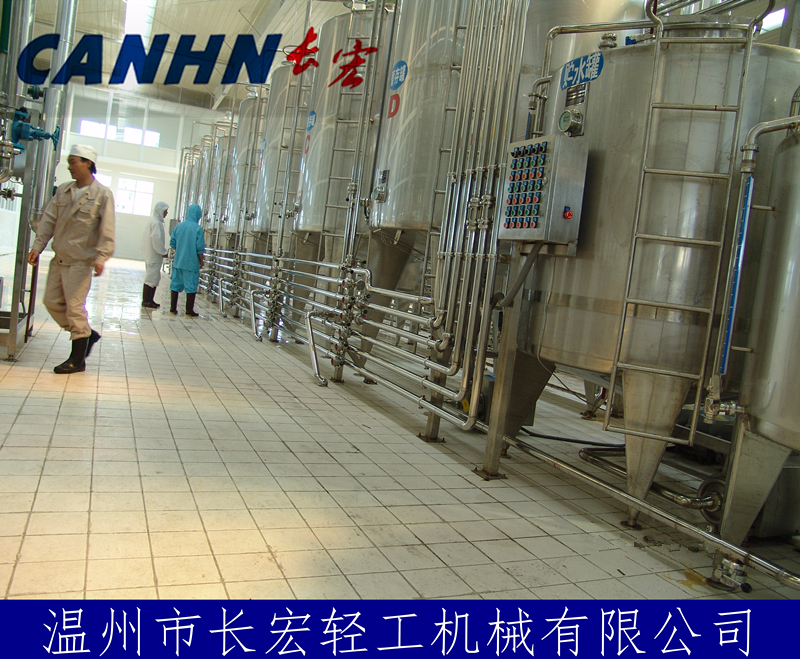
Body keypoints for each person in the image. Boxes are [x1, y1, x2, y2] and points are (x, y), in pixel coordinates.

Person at [27, 144, 115, 374]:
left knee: (75, 308)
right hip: (60, 258)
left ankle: (77, 360)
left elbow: (107, 229)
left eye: (73, 162)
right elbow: (49, 220)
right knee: (51, 302)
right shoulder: (64, 191)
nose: (69, 167)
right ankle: (86, 335)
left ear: (88, 163)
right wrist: (37, 246)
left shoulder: (102, 195)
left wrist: (101, 257)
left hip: (81, 261)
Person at [169, 204, 205, 317]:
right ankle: (189, 311)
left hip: (178, 262)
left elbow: (172, 243)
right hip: (191, 263)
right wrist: (201, 261)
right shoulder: (197, 229)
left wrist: (181, 251)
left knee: (175, 284)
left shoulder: (179, 227)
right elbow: (199, 248)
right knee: (191, 286)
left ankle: (172, 309)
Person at [141, 201, 169, 308]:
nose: (166, 213)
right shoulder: (156, 223)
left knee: (154, 278)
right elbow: (156, 240)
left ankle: (150, 300)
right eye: (165, 211)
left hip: (152, 256)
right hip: (153, 256)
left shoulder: (154, 222)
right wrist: (163, 252)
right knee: (151, 279)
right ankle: (146, 300)